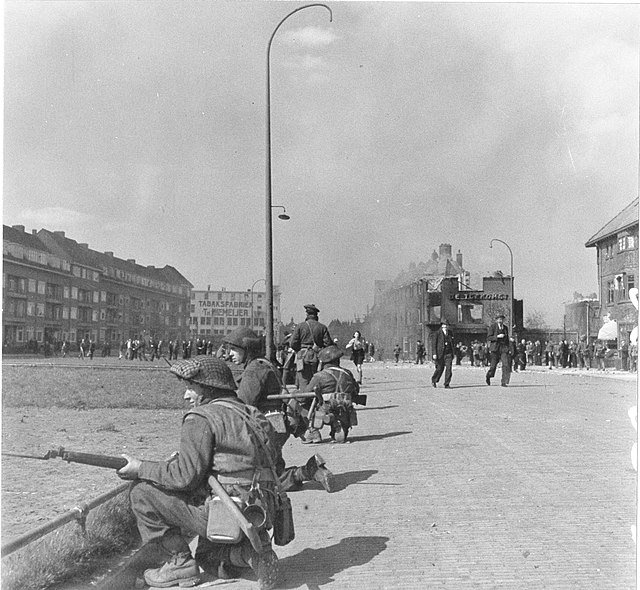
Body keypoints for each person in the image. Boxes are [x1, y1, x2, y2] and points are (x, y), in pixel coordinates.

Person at [116, 356, 281, 590]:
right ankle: (249, 555)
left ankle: (179, 563)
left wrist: (140, 467)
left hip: (228, 510)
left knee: (142, 491)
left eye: (190, 387)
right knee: (207, 557)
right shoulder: (252, 414)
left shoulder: (201, 417)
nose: (186, 395)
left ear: (207, 388)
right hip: (263, 510)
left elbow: (184, 477)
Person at [224, 326, 334, 493]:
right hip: (277, 422)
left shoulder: (254, 369)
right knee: (273, 468)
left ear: (246, 349)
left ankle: (312, 471)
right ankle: (313, 469)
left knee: (269, 481)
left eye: (233, 349)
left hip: (268, 425)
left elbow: (243, 403)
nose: (229, 354)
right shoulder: (263, 363)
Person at [304, 345, 360, 443]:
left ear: (322, 362)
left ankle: (314, 431)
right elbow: (356, 390)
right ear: (337, 360)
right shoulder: (347, 373)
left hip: (326, 408)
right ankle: (339, 426)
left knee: (304, 403)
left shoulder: (320, 376)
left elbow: (305, 394)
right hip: (346, 407)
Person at [289, 304, 332, 390]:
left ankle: (304, 400)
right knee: (316, 380)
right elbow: (328, 344)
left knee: (303, 381)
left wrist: (299, 350)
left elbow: (293, 343)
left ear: (307, 315)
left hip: (302, 356)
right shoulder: (322, 327)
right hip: (317, 356)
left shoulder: (300, 326)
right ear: (316, 315)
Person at [485, 314, 510, 387]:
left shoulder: (505, 328)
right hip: (495, 349)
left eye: (502, 319)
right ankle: (488, 376)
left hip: (503, 348)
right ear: (497, 320)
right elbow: (489, 338)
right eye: (499, 319)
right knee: (493, 366)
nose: (500, 321)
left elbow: (507, 339)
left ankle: (504, 382)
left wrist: (508, 348)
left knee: (506, 365)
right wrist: (497, 337)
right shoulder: (492, 327)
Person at [431, 321, 455, 388]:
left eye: (447, 325)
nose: (446, 326)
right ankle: (434, 380)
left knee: (449, 368)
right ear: (442, 326)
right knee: (439, 368)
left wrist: (453, 352)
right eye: (444, 325)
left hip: (448, 354)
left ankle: (447, 384)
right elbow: (434, 344)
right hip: (440, 354)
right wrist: (434, 353)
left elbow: (452, 343)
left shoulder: (450, 333)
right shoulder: (437, 333)